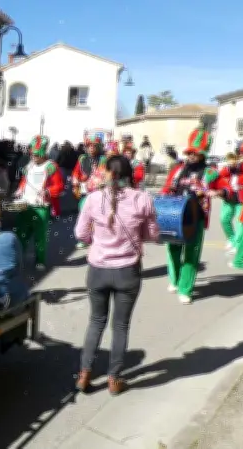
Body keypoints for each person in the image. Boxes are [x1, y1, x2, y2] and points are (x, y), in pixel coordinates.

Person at [74, 155, 159, 396]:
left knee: (96, 321)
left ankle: (84, 374)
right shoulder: (142, 199)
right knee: (120, 325)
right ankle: (114, 378)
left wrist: (97, 241)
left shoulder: (93, 199)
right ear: (129, 175)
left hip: (98, 269)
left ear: (108, 173)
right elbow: (152, 234)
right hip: (127, 270)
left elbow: (80, 234)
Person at [159, 128, 225, 304]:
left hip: (196, 217)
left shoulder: (211, 172)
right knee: (172, 249)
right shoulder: (177, 170)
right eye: (189, 153)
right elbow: (166, 188)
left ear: (203, 155)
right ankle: (175, 280)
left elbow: (227, 189)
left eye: (195, 153)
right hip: (174, 215)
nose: (191, 156)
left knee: (191, 254)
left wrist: (218, 192)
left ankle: (185, 289)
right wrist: (164, 194)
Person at [14, 135, 64, 270]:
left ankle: (40, 260)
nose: (34, 157)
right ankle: (18, 259)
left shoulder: (51, 166)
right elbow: (25, 181)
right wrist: (19, 190)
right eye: (32, 154)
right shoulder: (29, 166)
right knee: (21, 234)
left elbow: (59, 186)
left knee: (40, 236)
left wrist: (47, 191)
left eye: (36, 154)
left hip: (41, 206)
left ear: (43, 153)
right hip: (25, 205)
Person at [72, 136, 106, 249]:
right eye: (89, 146)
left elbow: (107, 173)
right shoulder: (82, 158)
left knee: (99, 215)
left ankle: (98, 239)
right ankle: (85, 239)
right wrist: (75, 182)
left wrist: (103, 181)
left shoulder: (103, 159)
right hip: (85, 192)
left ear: (98, 147)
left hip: (99, 191)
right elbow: (76, 172)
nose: (91, 148)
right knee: (84, 213)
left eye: (94, 146)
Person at [216, 152, 243, 251]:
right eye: (231, 160)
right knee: (224, 219)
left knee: (240, 222)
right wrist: (229, 166)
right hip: (229, 198)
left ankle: (237, 244)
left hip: (241, 199)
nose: (233, 161)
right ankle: (231, 239)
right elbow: (219, 176)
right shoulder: (227, 169)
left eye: (235, 159)